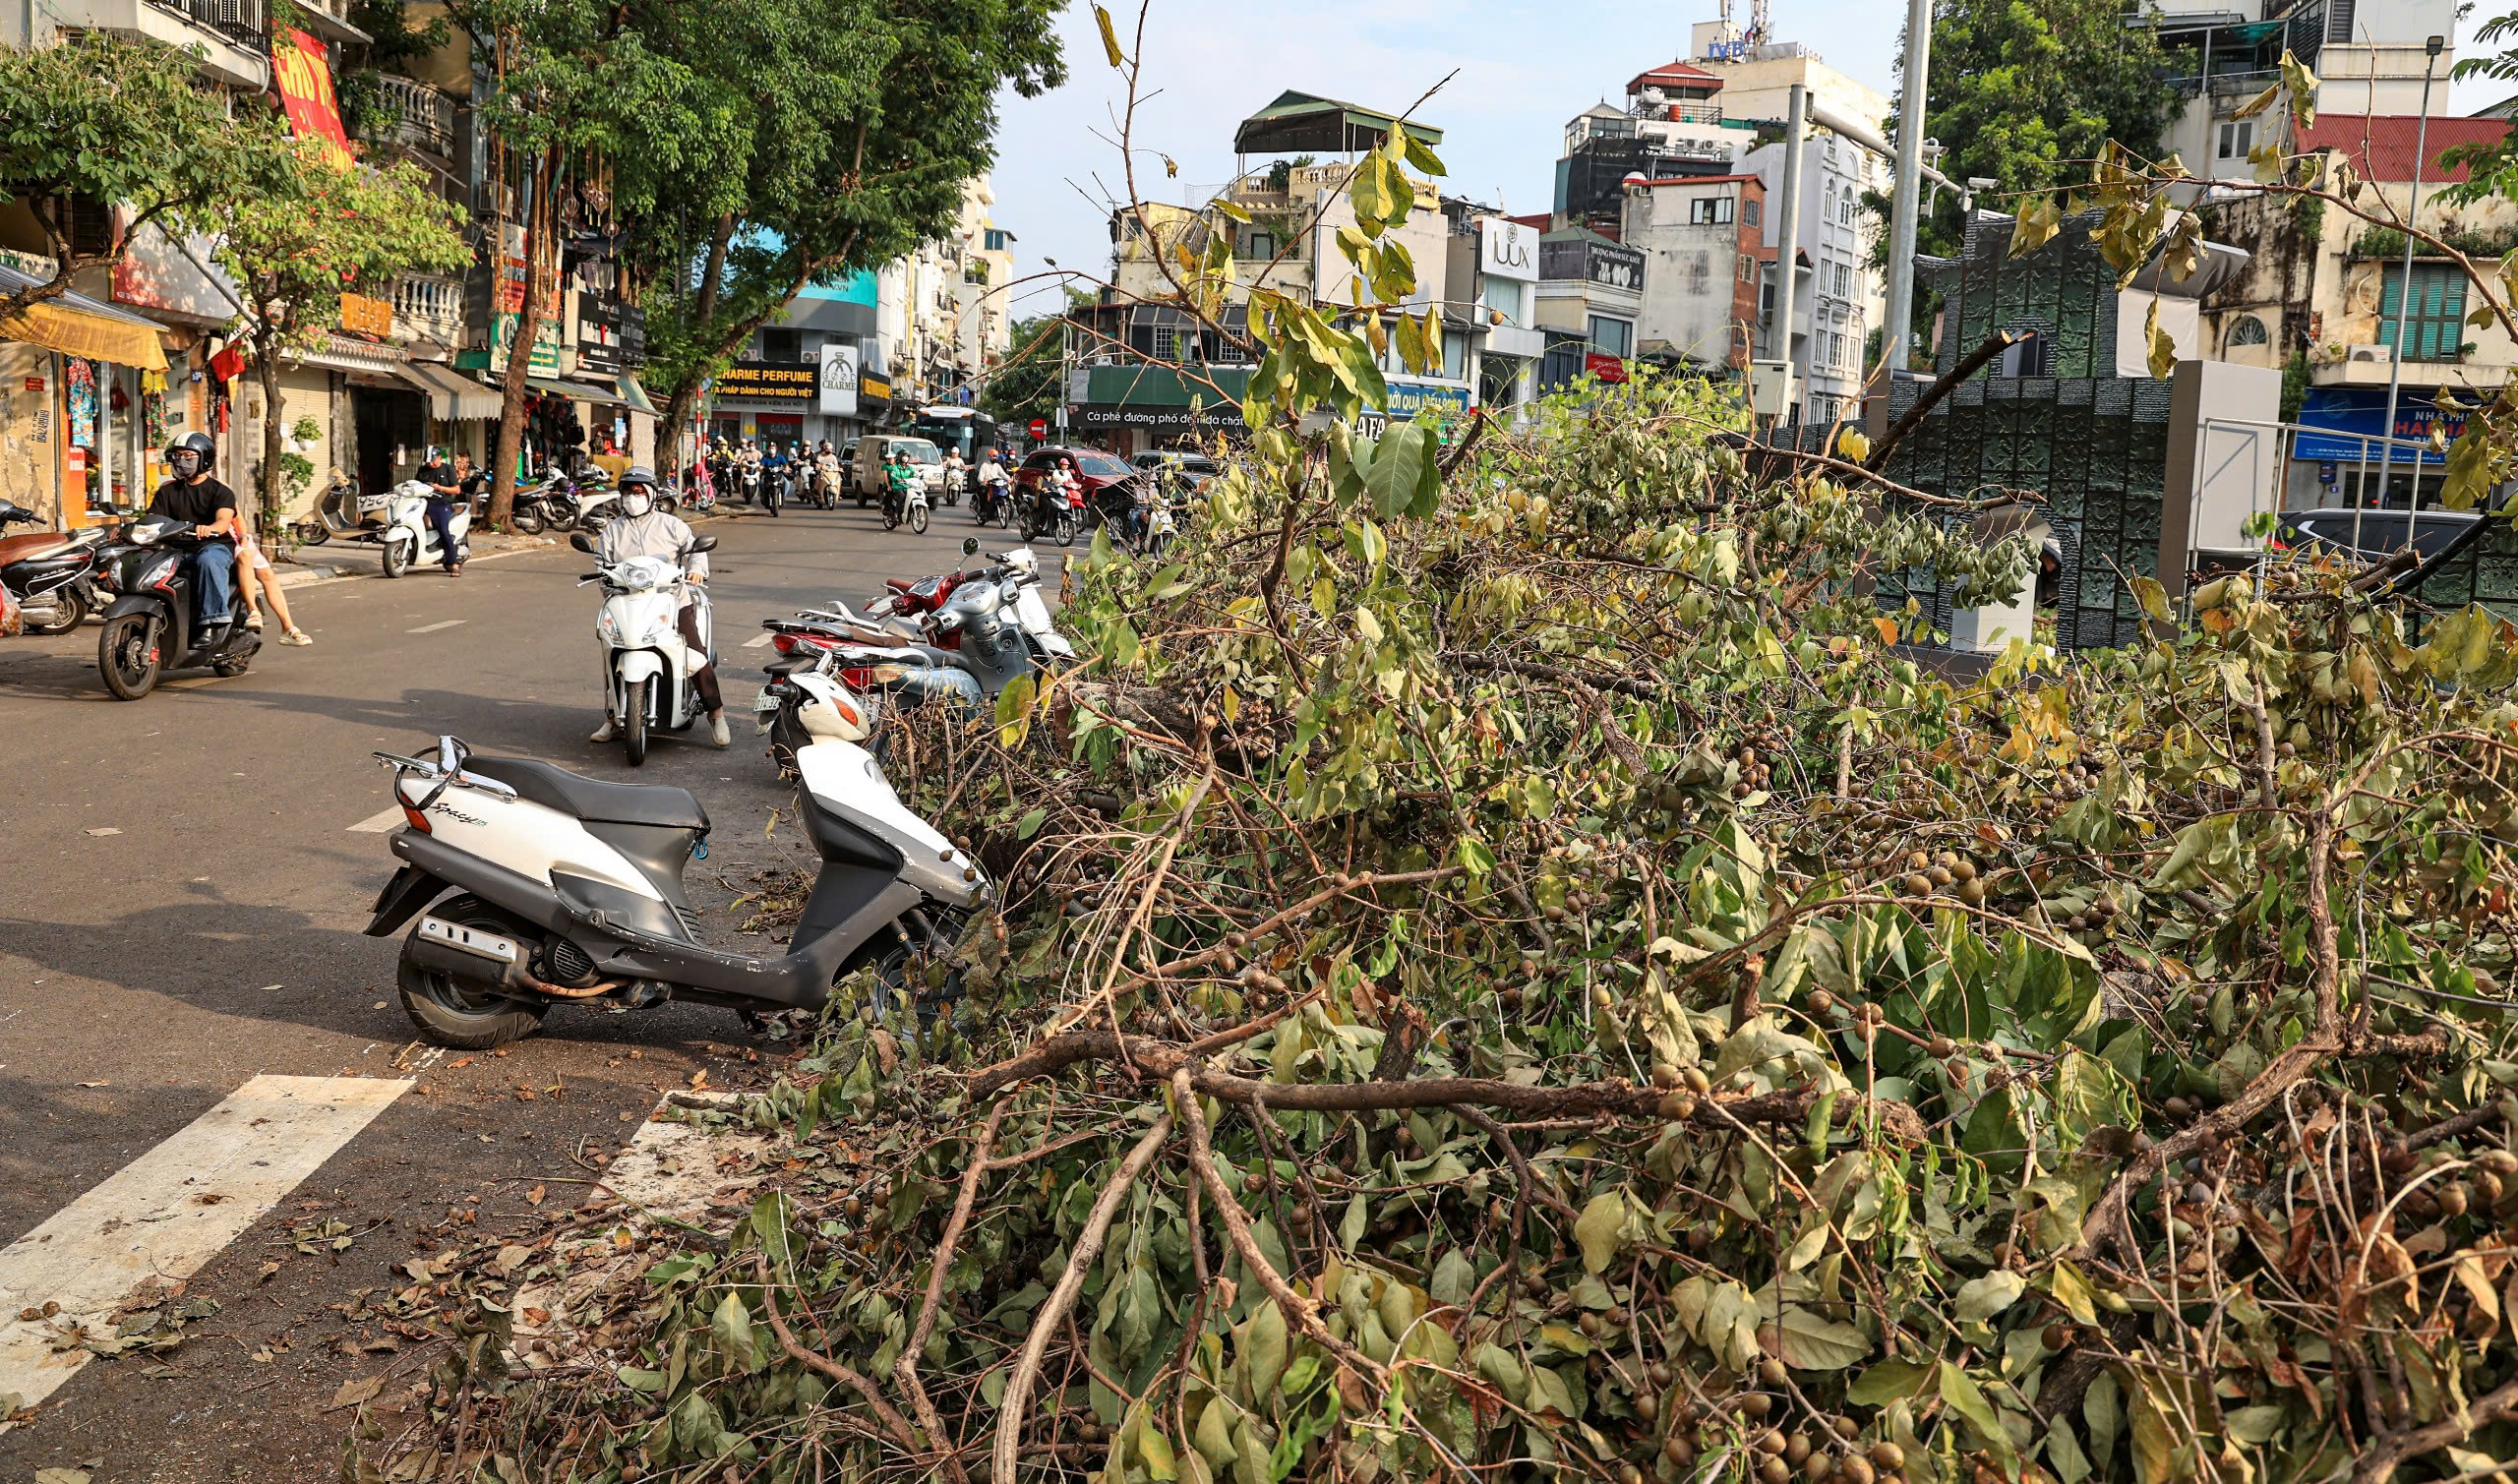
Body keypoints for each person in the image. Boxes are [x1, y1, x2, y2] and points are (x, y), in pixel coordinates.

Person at [589, 466, 729, 748]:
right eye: (628, 492)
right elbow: (601, 565)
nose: (633, 498)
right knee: (611, 653)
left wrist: (697, 570)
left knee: (696, 654)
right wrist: (608, 585)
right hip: (627, 603)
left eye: (639, 492)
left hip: (672, 600)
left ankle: (717, 714)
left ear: (651, 494)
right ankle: (611, 719)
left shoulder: (671, 525)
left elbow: (696, 550)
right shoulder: (612, 531)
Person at [147, 432, 239, 627]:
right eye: (178, 456)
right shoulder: (167, 490)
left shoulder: (220, 491)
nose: (182, 461)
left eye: (189, 456)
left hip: (212, 546)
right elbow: (152, 519)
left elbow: (223, 521)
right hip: (176, 549)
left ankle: (213, 622)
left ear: (204, 459)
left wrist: (209, 529)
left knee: (208, 560)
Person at [231, 505, 313, 645]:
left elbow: (237, 517)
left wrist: (243, 537)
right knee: (244, 558)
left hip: (238, 540)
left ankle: (288, 628)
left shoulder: (220, 488)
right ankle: (253, 610)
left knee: (268, 575)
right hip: (219, 542)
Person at [416, 445, 464, 575]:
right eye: (428, 461)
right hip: (422, 503)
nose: (430, 464)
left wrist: (440, 488)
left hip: (441, 503)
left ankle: (453, 563)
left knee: (443, 530)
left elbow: (456, 489)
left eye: (432, 461)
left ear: (439, 457)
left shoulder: (448, 469)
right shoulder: (422, 470)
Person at [884, 446, 921, 522]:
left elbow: (914, 474)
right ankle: (896, 513)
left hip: (908, 487)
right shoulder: (895, 467)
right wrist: (897, 479)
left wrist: (918, 477)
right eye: (904, 456)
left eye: (907, 456)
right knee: (902, 496)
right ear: (900, 457)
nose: (905, 458)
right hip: (897, 487)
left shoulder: (910, 468)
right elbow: (892, 475)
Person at [976, 446, 1009, 521]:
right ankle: (983, 511)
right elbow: (979, 477)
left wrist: (1009, 479)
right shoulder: (984, 465)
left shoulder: (997, 466)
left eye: (997, 456)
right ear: (989, 456)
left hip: (996, 484)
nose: (995, 458)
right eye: (994, 456)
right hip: (986, 484)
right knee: (984, 492)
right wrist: (983, 481)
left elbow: (1003, 474)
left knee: (1006, 491)